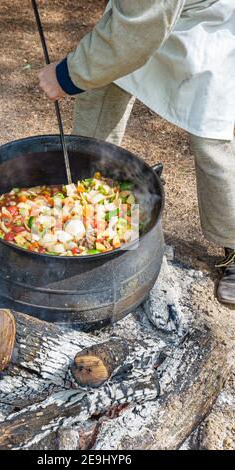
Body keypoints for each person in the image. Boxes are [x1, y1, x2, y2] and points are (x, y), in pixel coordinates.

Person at [38, 0, 235, 305]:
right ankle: (81, 194)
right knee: (101, 85)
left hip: (210, 21)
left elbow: (137, 30)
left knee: (210, 135)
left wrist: (67, 75)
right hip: (143, 17)